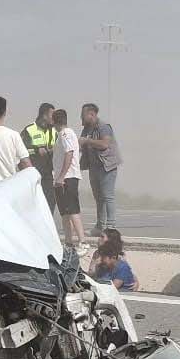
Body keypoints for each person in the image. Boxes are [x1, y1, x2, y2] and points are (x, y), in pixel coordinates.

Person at [80, 103, 121, 236]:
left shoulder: (104, 127)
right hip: (93, 167)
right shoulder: (86, 129)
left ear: (91, 114)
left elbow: (104, 144)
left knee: (107, 196)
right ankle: (100, 226)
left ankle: (111, 227)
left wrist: (87, 141)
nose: (81, 117)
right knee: (98, 198)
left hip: (106, 166)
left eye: (83, 114)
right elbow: (80, 145)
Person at [50, 108, 84, 250]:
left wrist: (62, 176)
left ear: (54, 121)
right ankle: (68, 243)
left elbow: (69, 153)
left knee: (72, 210)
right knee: (64, 212)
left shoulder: (66, 134)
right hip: (60, 178)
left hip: (68, 178)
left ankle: (83, 241)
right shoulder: (60, 136)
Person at [23, 102, 58, 205]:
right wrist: (36, 149)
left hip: (48, 174)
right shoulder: (29, 130)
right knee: (33, 203)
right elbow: (21, 152)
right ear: (44, 115)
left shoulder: (54, 131)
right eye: (53, 115)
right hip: (32, 174)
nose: (55, 118)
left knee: (50, 201)